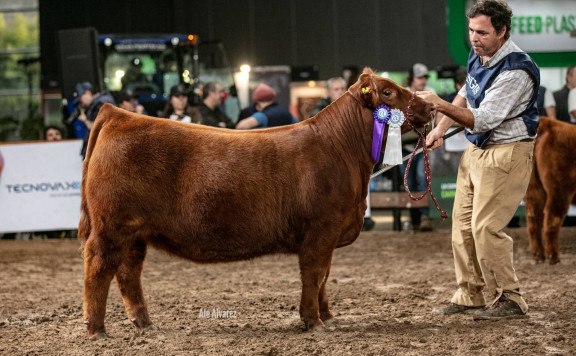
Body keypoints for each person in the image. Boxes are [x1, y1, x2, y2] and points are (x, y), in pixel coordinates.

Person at [418, 0, 540, 319]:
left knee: (485, 227)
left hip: (506, 152)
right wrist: (440, 130)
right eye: (471, 30)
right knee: (462, 226)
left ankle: (510, 298)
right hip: (477, 151)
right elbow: (466, 92)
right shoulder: (479, 52)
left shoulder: (516, 69)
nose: (474, 38)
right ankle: (469, 294)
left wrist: (438, 105)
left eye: (482, 32)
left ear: (502, 32)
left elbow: (483, 118)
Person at [401, 63, 436, 232]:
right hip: (404, 146)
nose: (422, 81)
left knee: (422, 176)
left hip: (423, 145)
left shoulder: (430, 94)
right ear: (412, 78)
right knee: (408, 181)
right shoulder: (403, 94)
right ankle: (413, 216)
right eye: (419, 77)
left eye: (424, 77)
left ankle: (424, 216)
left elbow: (433, 120)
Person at [74, 81, 116, 157]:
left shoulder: (102, 103)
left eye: (80, 100)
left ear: (87, 93)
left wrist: (85, 120)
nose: (81, 104)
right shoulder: (98, 104)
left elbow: (103, 128)